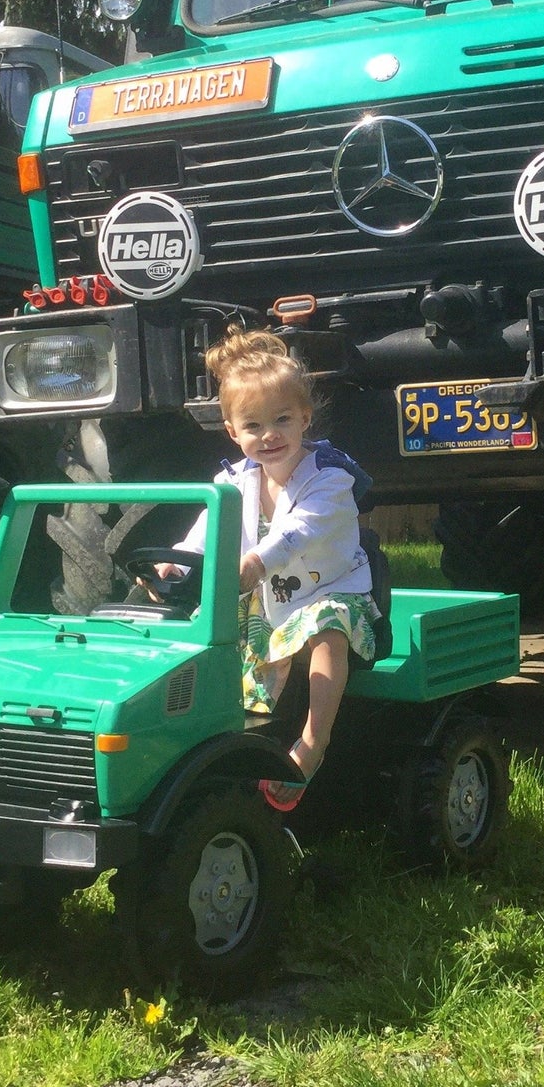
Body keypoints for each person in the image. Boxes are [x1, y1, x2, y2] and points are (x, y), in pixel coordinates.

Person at [160, 328, 379, 810]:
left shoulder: (328, 479)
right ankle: (209, 737)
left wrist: (256, 563)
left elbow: (298, 532)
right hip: (267, 600)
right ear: (232, 432)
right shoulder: (233, 482)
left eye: (282, 419)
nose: (270, 435)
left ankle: (311, 743)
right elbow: (206, 529)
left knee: (328, 628)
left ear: (305, 418)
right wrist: (175, 565)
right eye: (254, 425)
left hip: (331, 590)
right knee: (198, 630)